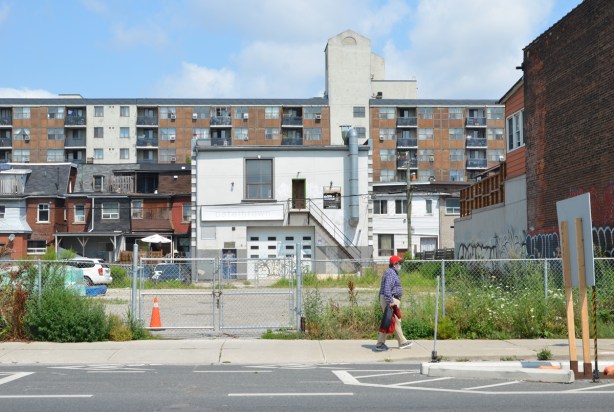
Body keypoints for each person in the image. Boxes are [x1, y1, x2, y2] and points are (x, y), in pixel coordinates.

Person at [374, 255, 413, 351]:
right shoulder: (391, 273)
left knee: (389, 321)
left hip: (391, 299)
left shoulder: (392, 272)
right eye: (399, 263)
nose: (400, 265)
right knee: (394, 320)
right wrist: (390, 302)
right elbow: (387, 288)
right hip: (391, 299)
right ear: (395, 264)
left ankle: (380, 343)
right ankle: (402, 342)